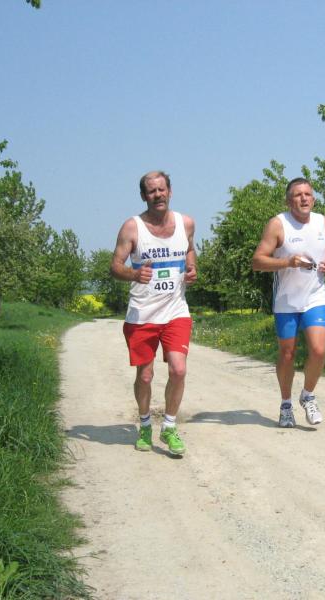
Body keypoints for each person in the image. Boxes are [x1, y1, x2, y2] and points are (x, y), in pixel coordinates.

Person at [110, 171, 197, 455]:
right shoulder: (132, 228)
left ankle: (169, 427)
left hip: (176, 311)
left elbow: (190, 250)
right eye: (151, 191)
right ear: (143, 196)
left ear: (170, 191)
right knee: (145, 376)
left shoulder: (186, 223)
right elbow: (115, 266)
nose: (157, 195)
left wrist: (192, 268)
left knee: (178, 369)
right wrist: (134, 274)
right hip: (142, 315)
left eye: (161, 189)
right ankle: (146, 424)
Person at [251, 177, 325, 428]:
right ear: (289, 201)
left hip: (315, 296)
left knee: (318, 351)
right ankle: (286, 404)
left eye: (307, 194)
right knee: (287, 354)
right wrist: (288, 262)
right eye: (298, 195)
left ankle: (308, 396)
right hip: (286, 300)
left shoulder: (322, 221)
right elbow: (257, 261)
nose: (304, 198)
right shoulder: (278, 225)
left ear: (314, 199)